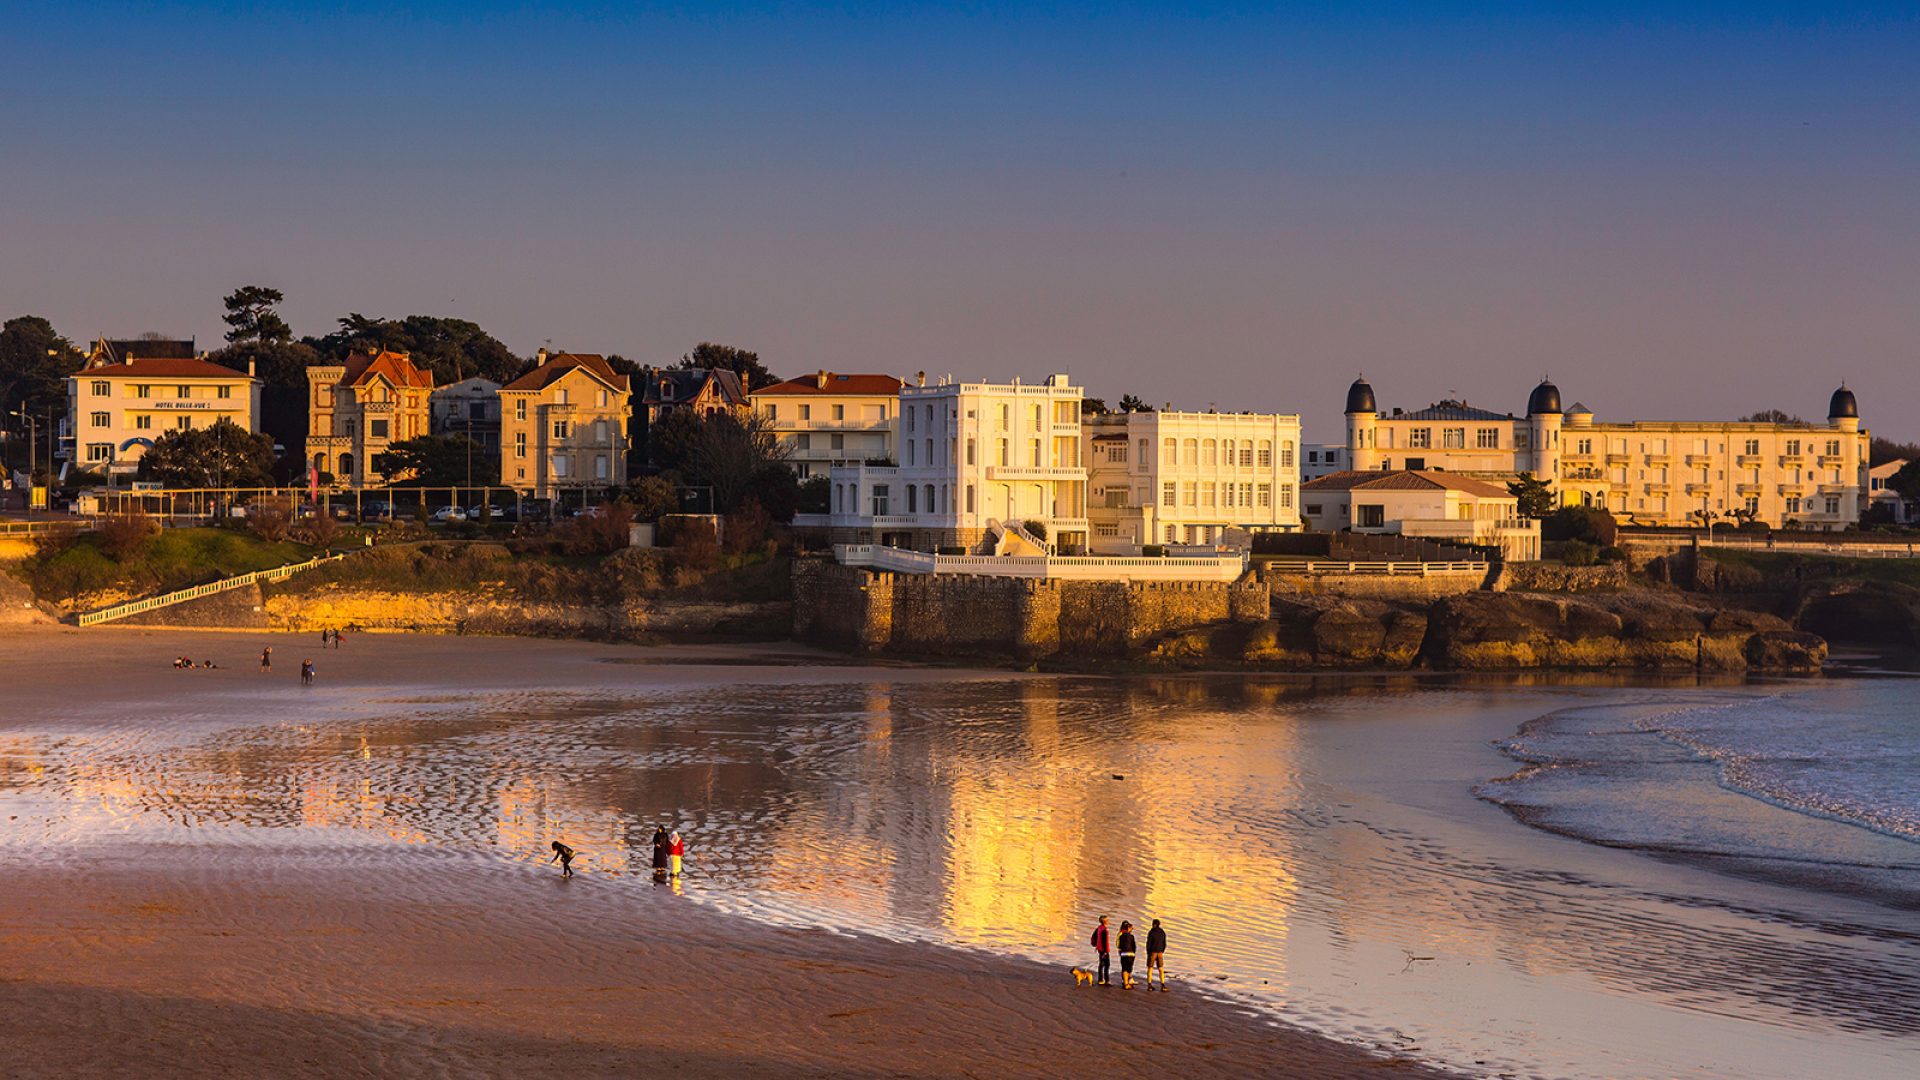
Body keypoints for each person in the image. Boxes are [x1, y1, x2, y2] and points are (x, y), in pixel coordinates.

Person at [1146, 919, 1168, 991]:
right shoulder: (1162, 932)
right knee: (1161, 968)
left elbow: (1148, 943)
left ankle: (1149, 985)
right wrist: (1162, 951)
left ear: (1154, 924)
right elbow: (1164, 944)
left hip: (1152, 952)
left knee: (1150, 968)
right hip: (1160, 952)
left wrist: (1148, 952)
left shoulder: (1151, 932)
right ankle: (1162, 984)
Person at [1090, 915, 1111, 987]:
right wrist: (1105, 951)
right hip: (1103, 950)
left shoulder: (1099, 928)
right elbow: (1105, 941)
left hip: (1099, 949)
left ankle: (1101, 979)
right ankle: (1106, 980)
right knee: (1106, 965)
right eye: (1107, 920)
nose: (1109, 921)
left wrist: (1096, 944)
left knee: (1101, 964)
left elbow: (1093, 937)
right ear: (1104, 921)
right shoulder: (1104, 930)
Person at [1118, 920, 1137, 989]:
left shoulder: (1121, 936)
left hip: (1123, 953)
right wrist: (1134, 953)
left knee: (1124, 968)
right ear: (1128, 928)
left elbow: (1120, 946)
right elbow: (1134, 946)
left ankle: (1125, 983)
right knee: (1129, 969)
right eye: (1131, 928)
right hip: (1130, 954)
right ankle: (1128, 982)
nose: (1132, 929)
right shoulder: (1131, 936)